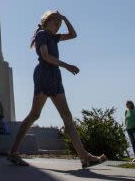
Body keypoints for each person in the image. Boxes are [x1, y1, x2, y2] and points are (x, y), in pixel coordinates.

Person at [8, 11, 106, 169]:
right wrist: (67, 66)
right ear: (47, 22)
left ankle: (84, 156)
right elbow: (45, 56)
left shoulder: (54, 37)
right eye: (55, 23)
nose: (57, 26)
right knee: (35, 114)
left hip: (55, 75)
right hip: (44, 74)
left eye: (59, 24)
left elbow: (73, 35)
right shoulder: (42, 35)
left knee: (67, 115)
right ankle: (13, 152)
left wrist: (65, 18)